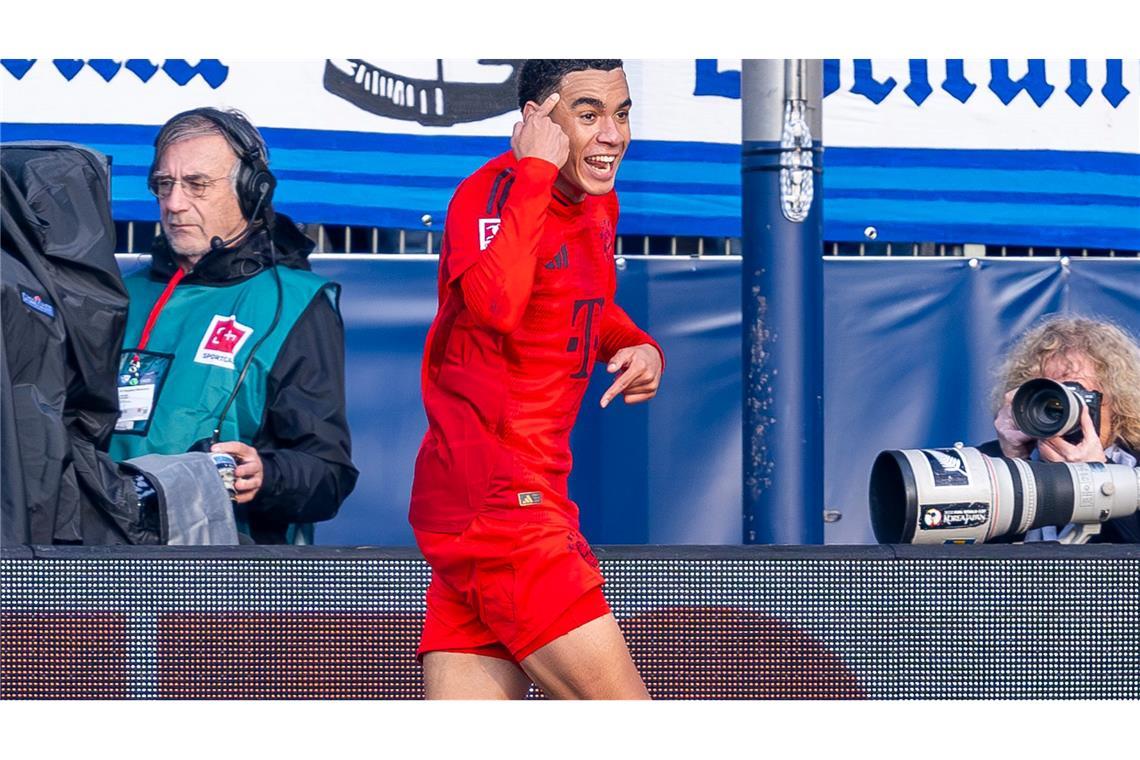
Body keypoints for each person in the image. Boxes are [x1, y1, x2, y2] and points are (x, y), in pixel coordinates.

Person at [408, 60, 663, 699]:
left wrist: (634, 342)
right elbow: (499, 304)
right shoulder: (492, 195)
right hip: (502, 508)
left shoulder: (596, 204)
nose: (612, 134)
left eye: (622, 112)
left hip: (505, 501)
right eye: (587, 114)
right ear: (536, 121)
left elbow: (582, 297)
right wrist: (536, 172)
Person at [108, 108, 358, 544]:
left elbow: (328, 474)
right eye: (164, 185)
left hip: (226, 573)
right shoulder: (116, 296)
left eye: (197, 185)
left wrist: (266, 475)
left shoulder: (294, 303)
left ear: (250, 191)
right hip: (102, 556)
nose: (174, 203)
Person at [986, 315, 1140, 542]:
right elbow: (974, 561)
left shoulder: (1134, 467)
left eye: (1077, 394)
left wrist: (1098, 477)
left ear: (1119, 403)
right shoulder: (989, 464)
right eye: (1050, 396)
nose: (1062, 409)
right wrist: (1012, 467)